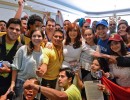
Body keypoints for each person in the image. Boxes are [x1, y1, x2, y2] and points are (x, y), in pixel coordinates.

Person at [10, 28, 45, 99]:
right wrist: (12, 83)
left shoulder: (44, 51)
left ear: (43, 38)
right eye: (34, 36)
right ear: (31, 38)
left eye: (39, 36)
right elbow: (15, 67)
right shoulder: (23, 49)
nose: (36, 38)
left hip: (36, 85)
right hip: (22, 83)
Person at [0, 18, 22, 98]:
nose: (14, 31)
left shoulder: (21, 49)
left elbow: (20, 70)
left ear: (20, 32)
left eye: (17, 29)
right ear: (6, 29)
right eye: (11, 28)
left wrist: (8, 70)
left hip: (9, 88)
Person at [40, 29, 64, 100]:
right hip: (47, 80)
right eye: (56, 36)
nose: (58, 39)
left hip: (56, 79)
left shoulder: (61, 48)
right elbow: (45, 63)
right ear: (52, 37)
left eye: (60, 37)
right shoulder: (48, 49)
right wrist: (42, 69)